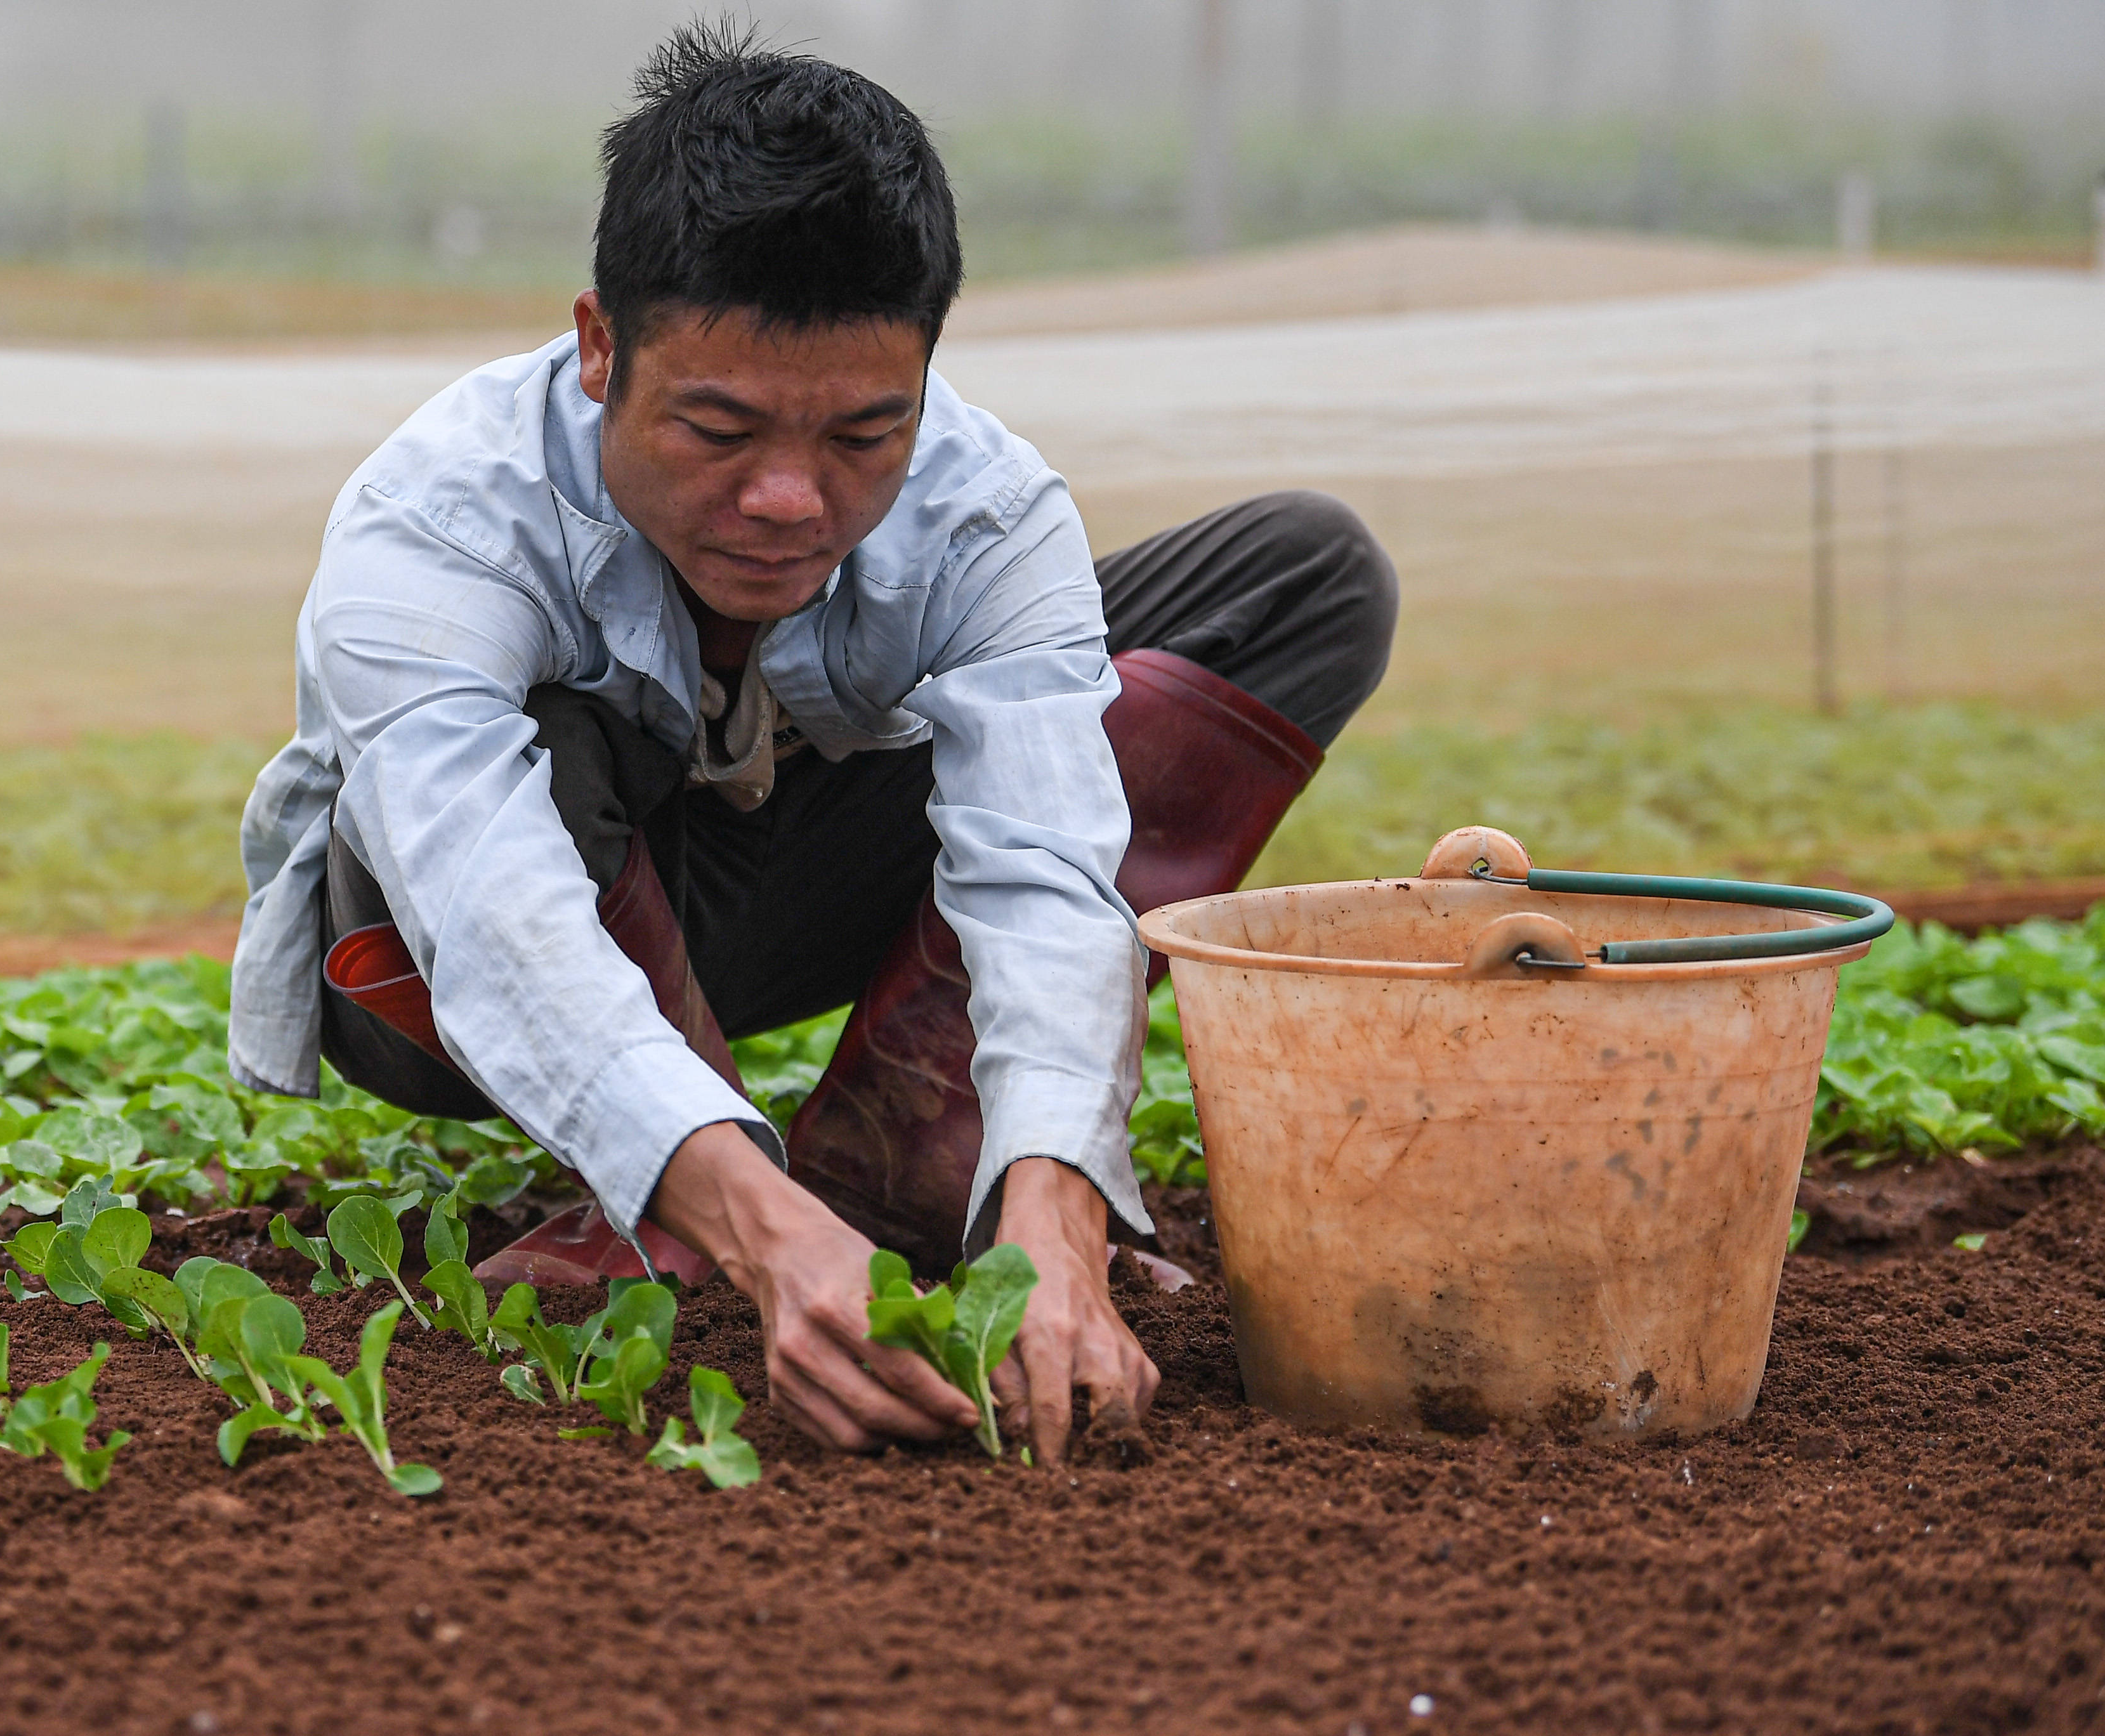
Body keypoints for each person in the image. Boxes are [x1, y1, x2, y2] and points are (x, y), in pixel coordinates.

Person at [229, 24, 1396, 1466]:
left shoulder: (984, 508)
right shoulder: (439, 524)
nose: (789, 497)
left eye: (862, 434)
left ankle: (908, 1170)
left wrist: (1056, 1204)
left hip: (782, 883)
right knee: (536, 728)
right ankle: (682, 1192)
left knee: (1304, 570)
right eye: (717, 427)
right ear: (600, 346)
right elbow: (484, 902)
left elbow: (1043, 864)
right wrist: (764, 1233)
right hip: (428, 973)